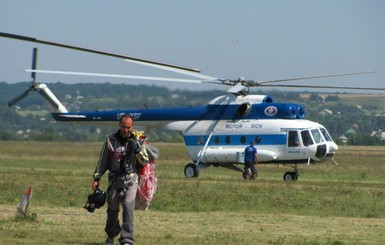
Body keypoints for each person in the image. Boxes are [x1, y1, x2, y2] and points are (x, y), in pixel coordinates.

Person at [92, 114, 140, 245]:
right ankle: (111, 234)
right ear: (119, 125)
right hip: (114, 180)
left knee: (128, 210)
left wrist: (138, 147)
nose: (126, 130)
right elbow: (103, 161)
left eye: (129, 127)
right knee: (112, 211)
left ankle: (127, 239)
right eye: (124, 127)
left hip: (131, 180)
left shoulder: (138, 141)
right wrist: (97, 177)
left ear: (133, 126)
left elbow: (145, 160)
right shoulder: (111, 140)